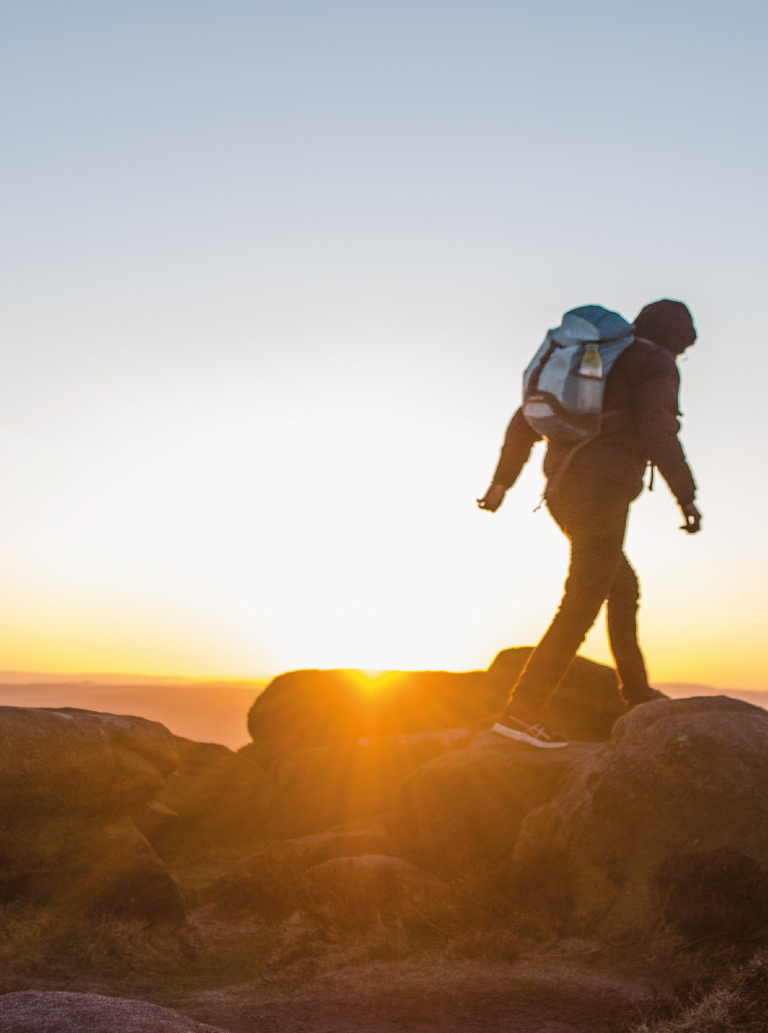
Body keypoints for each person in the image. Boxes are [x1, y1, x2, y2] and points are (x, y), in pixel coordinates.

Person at [477, 299, 701, 748]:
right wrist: (686, 495)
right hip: (601, 491)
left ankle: (636, 696)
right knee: (580, 604)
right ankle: (521, 714)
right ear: (676, 340)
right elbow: (658, 427)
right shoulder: (654, 361)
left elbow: (524, 419)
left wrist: (501, 484)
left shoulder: (596, 359)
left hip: (562, 490)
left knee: (621, 588)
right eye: (682, 350)